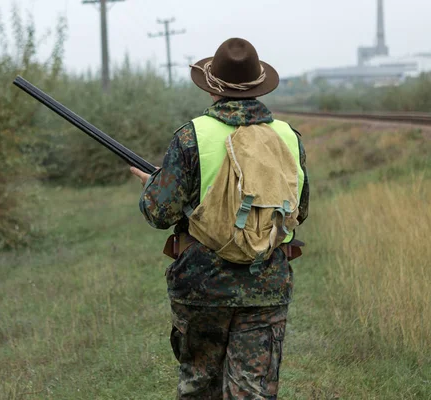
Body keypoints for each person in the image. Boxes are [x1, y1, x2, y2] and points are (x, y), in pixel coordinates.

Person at [130, 38, 309, 399]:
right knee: (252, 392)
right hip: (266, 286)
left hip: (202, 288)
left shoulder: (192, 136)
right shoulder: (288, 137)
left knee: (199, 386)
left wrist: (154, 185)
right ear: (259, 86)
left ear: (214, 89)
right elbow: (299, 211)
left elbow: (158, 213)